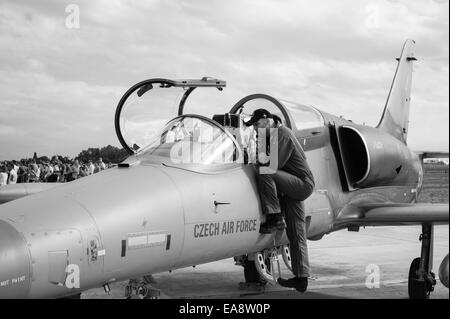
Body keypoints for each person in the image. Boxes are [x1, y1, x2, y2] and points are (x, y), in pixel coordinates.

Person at [244, 108, 315, 293]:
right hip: (290, 187)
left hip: (301, 184)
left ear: (266, 120)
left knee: (265, 171)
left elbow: (272, 165)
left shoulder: (282, 133)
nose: (255, 129)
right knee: (296, 233)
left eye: (256, 125)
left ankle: (274, 216)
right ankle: (301, 279)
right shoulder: (267, 137)